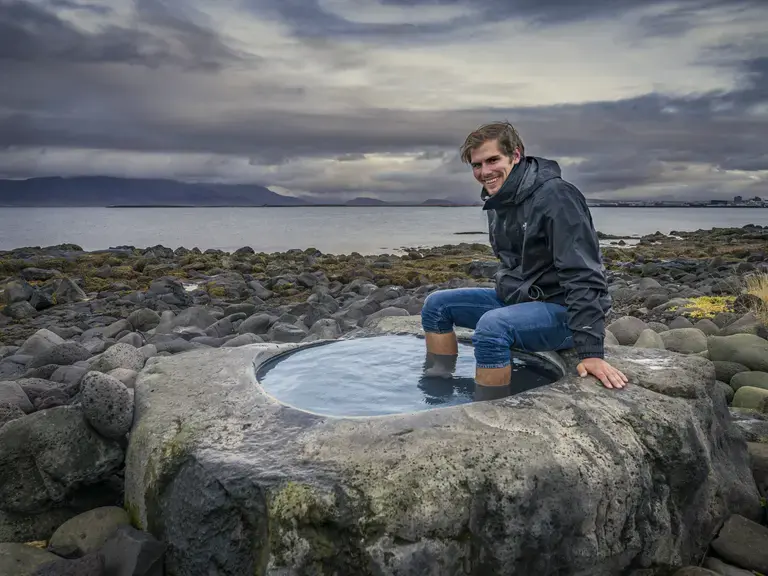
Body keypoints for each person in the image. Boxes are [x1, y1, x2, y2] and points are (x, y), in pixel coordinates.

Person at [421, 121, 627, 400]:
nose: (484, 172)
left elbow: (584, 274)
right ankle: (438, 391)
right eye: (477, 165)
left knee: (492, 328)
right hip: (522, 301)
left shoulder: (557, 196)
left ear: (516, 156)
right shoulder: (500, 200)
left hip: (563, 312)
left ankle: (489, 414)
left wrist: (591, 352)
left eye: (493, 160)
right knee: (436, 305)